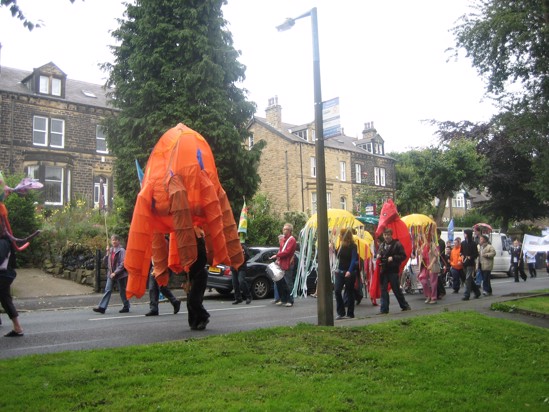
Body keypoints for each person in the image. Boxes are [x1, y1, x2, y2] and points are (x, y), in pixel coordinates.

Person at [376, 228, 411, 314]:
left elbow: (403, 256)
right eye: (385, 235)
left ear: (391, 235)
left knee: (396, 289)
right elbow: (379, 254)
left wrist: (394, 258)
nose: (386, 237)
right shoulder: (382, 245)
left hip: (393, 270)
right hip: (384, 270)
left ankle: (404, 305)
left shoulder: (397, 244)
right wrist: (378, 255)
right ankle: (384, 309)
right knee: (383, 290)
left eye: (388, 235)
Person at [93, 234, 130, 314]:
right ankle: (102, 307)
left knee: (122, 291)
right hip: (111, 274)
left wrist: (115, 272)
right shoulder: (111, 250)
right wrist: (107, 253)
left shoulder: (122, 250)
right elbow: (105, 262)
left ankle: (126, 306)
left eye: (115, 240)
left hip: (120, 274)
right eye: (112, 240)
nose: (114, 241)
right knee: (108, 290)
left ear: (118, 241)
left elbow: (123, 263)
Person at [0, 233, 24, 337]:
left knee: (5, 299)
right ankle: (18, 328)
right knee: (5, 299)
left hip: (2, 275)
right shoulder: (5, 240)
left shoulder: (3, 241)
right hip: (5, 275)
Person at [187, 227, 210, 330]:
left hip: (199, 274)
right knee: (191, 301)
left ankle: (204, 317)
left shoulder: (200, 249)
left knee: (193, 300)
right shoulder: (188, 248)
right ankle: (195, 322)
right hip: (192, 275)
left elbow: (202, 260)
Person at [271, 223, 297, 307]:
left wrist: (277, 255)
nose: (283, 230)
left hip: (288, 264)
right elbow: (281, 250)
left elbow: (287, 252)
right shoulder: (283, 239)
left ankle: (290, 300)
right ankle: (283, 299)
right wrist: (277, 258)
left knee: (288, 282)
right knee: (281, 282)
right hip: (282, 263)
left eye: (285, 229)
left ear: (289, 230)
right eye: (283, 228)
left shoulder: (292, 240)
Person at [334, 228, 358, 319]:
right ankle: (341, 312)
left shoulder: (353, 246)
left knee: (349, 292)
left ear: (345, 236)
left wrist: (350, 271)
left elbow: (353, 259)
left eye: (341, 234)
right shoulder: (340, 245)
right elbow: (338, 257)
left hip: (349, 272)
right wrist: (333, 249)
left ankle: (350, 313)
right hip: (340, 271)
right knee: (337, 291)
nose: (339, 236)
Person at [461, 229, 481, 301]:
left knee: (467, 279)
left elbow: (476, 254)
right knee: (469, 279)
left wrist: (471, 257)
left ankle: (467, 295)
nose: (464, 235)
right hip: (465, 263)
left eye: (465, 233)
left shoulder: (473, 243)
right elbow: (462, 252)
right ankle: (477, 292)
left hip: (470, 263)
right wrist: (462, 256)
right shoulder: (463, 243)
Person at [418, 239, 440, 304]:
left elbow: (436, 256)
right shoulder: (423, 245)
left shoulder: (433, 245)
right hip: (425, 266)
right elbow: (420, 254)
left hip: (432, 265)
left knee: (433, 282)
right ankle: (428, 295)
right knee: (423, 280)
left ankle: (433, 297)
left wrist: (431, 264)